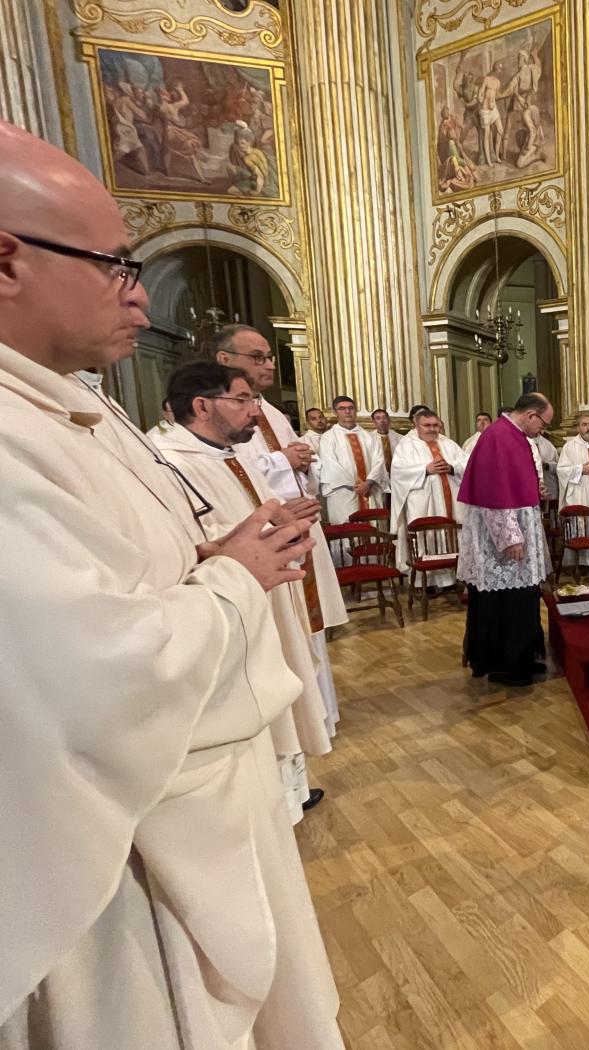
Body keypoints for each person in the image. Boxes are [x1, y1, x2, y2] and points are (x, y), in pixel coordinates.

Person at [0, 118, 341, 1048]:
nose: (142, 302)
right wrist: (233, 577)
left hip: (200, 803)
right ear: (5, 259)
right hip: (128, 861)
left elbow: (123, 579)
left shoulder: (71, 403)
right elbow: (97, 676)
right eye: (117, 265)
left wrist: (212, 557)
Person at [154, 362, 334, 825]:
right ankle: (274, 799)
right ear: (201, 406)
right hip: (225, 607)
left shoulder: (228, 454)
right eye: (243, 400)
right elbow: (188, 542)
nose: (255, 411)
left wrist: (282, 519)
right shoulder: (169, 462)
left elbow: (246, 521)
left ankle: (290, 792)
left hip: (263, 597)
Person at [214, 323, 347, 738]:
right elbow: (227, 470)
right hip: (268, 541)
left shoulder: (269, 410)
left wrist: (303, 466)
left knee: (309, 634)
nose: (269, 364)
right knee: (283, 637)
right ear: (224, 359)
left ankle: (320, 718)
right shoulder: (223, 410)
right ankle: (296, 727)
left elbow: (290, 468)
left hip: (299, 532)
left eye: (270, 356)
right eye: (258, 357)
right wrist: (285, 463)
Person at [457, 393, 554, 685]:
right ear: (531, 416)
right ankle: (505, 664)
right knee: (505, 601)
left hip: (519, 529)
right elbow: (493, 494)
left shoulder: (514, 436)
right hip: (502, 541)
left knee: (521, 597)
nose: (543, 430)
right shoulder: (498, 437)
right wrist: (510, 537)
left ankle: (522, 657)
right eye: (544, 424)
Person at [390, 410, 468, 589]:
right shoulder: (406, 445)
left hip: (452, 501)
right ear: (416, 425)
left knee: (455, 534)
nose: (432, 429)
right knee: (428, 538)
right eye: (427, 425)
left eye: (435, 425)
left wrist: (451, 467)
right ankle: (428, 583)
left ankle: (454, 577)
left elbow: (467, 463)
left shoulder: (448, 443)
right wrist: (425, 469)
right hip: (423, 502)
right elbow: (398, 472)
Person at [318, 394, 386, 527]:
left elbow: (379, 461)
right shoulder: (329, 437)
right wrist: (354, 485)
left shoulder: (369, 436)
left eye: (351, 408)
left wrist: (368, 483)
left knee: (374, 530)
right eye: (342, 408)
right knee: (349, 531)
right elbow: (330, 465)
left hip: (369, 490)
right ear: (335, 412)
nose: (347, 411)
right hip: (344, 492)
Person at [557, 413, 589, 567]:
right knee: (582, 524)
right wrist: (581, 469)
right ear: (578, 427)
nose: (588, 428)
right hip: (580, 492)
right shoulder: (569, 447)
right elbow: (562, 470)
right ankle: (582, 563)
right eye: (584, 424)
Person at [370, 407, 401, 472]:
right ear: (374, 422)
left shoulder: (400, 438)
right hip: (377, 473)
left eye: (384, 418)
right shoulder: (369, 438)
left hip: (397, 472)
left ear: (389, 420)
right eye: (378, 418)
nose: (382, 421)